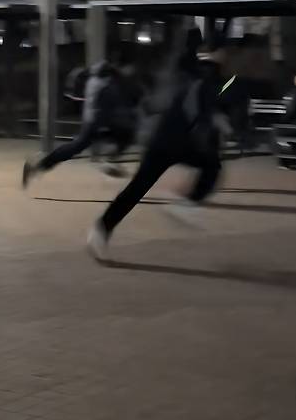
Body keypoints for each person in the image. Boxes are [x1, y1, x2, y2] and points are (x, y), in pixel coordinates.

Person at [87, 30, 230, 261]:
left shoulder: (190, 68)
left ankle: (101, 229)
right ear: (220, 52)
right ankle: (185, 204)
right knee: (212, 166)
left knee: (137, 188)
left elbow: (186, 99)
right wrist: (211, 122)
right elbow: (198, 103)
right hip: (179, 139)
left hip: (163, 138)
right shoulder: (207, 73)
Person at [22, 60, 136, 188]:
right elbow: (104, 106)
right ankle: (38, 165)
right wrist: (102, 124)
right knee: (123, 135)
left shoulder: (102, 78)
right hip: (97, 122)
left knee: (78, 146)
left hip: (97, 120)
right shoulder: (108, 83)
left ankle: (39, 166)